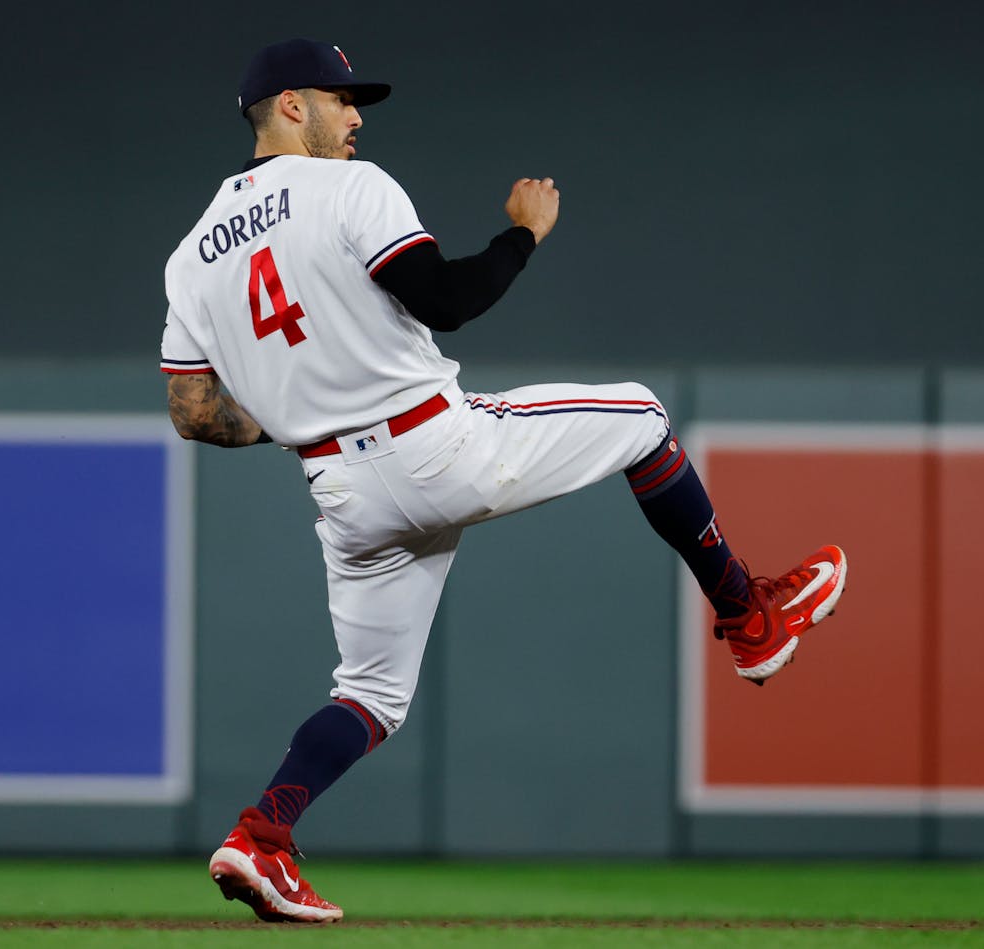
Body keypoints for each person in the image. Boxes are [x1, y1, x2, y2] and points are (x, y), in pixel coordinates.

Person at [160, 38, 847, 924]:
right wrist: (522, 234)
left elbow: (191, 409)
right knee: (641, 416)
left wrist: (297, 409)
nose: (358, 115)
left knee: (369, 695)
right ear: (292, 106)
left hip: (339, 492)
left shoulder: (191, 255)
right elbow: (446, 299)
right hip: (435, 446)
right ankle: (749, 618)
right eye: (343, 99)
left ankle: (261, 837)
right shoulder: (351, 188)